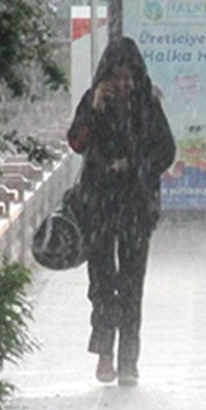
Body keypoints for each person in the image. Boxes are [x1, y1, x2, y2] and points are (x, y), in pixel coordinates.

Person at [67, 37, 177, 386]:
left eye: (129, 78)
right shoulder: (94, 102)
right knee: (102, 282)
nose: (123, 85)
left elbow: (166, 150)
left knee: (131, 284)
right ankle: (104, 353)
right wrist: (95, 112)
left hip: (135, 205)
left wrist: (135, 166)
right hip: (99, 205)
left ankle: (129, 360)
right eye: (117, 77)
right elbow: (76, 142)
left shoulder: (148, 105)